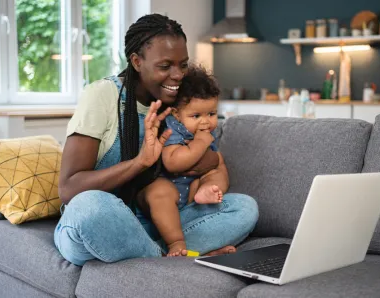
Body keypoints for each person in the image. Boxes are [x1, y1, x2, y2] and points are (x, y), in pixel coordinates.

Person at [54, 13, 259, 266]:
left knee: (243, 207)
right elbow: (68, 189)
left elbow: (206, 158)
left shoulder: (179, 100)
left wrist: (209, 159)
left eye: (183, 65)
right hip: (98, 222)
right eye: (165, 66)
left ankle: (160, 252)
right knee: (90, 205)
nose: (177, 75)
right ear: (137, 61)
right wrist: (140, 162)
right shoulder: (103, 95)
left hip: (155, 222)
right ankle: (167, 258)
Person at [138, 65, 226, 257]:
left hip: (190, 200)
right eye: (196, 116)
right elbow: (173, 163)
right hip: (164, 193)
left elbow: (214, 163)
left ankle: (207, 192)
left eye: (211, 114)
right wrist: (201, 144)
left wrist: (210, 182)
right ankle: (176, 243)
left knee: (221, 171)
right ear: (176, 114)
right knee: (159, 191)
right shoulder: (173, 128)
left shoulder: (202, 131)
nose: (206, 122)